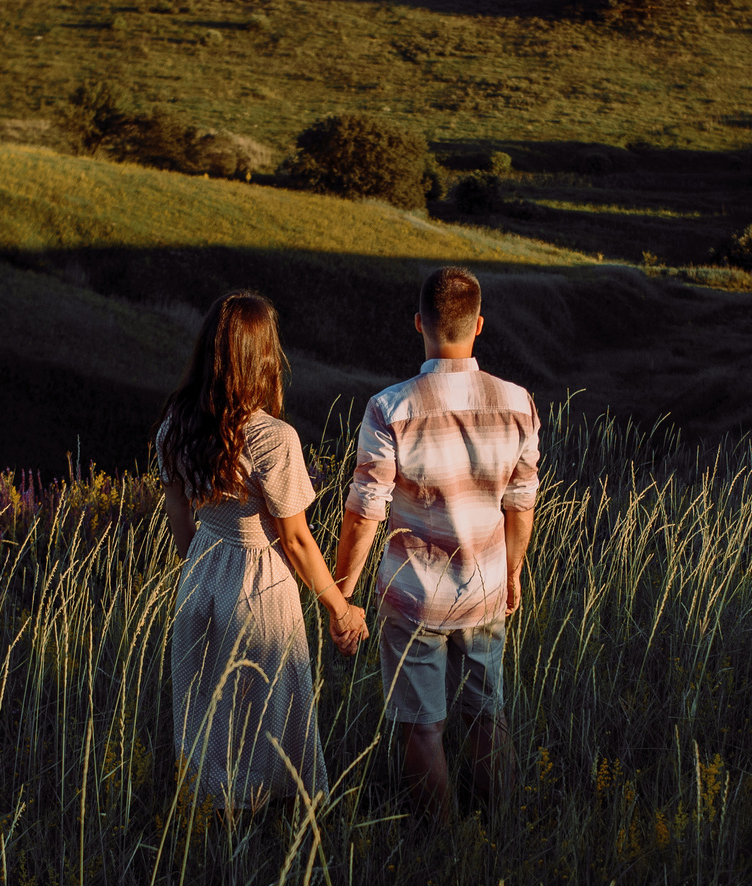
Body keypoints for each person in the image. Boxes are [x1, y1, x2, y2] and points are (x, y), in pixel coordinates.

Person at [333, 266, 540, 822]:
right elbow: (522, 501)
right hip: (487, 588)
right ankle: (501, 836)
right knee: (486, 716)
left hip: (414, 595)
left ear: (419, 323)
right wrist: (514, 572)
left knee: (422, 728)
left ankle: (439, 853)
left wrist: (342, 595)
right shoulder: (518, 402)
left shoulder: (389, 408)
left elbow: (365, 511)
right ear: (479, 326)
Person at [159, 292, 368, 815]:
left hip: (201, 571)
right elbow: (295, 539)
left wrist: (203, 571)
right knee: (271, 706)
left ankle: (215, 819)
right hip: (259, 582)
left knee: (208, 704)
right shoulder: (272, 438)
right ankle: (279, 820)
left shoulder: (177, 423)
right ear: (263, 358)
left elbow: (179, 518)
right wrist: (339, 609)